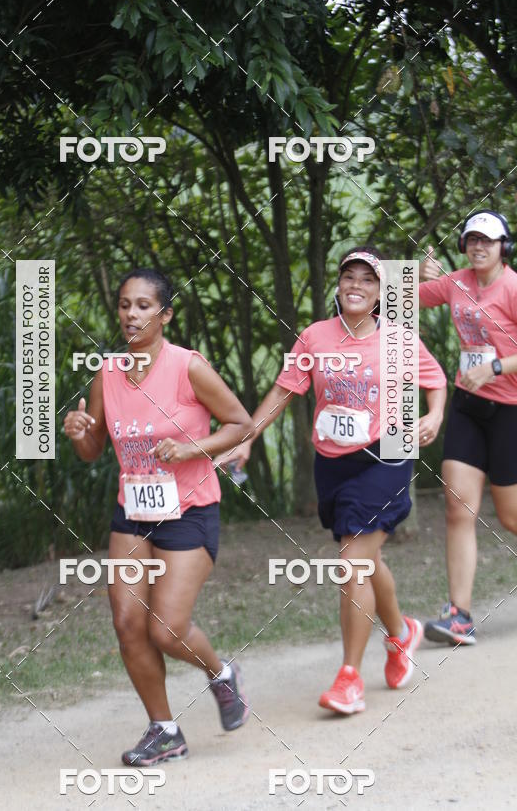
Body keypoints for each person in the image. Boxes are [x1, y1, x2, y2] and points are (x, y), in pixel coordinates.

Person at [217, 247, 447, 715]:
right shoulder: (315, 337)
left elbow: (435, 377)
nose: (356, 285)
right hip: (333, 461)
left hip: (387, 453)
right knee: (365, 555)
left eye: (368, 279)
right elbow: (285, 390)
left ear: (383, 292)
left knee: (352, 560)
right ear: (338, 285)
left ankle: (349, 679)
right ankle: (401, 634)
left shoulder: (398, 339)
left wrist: (435, 414)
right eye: (349, 277)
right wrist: (246, 440)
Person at [63, 268, 254, 764]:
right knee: (128, 623)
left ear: (165, 314)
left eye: (144, 305)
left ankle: (221, 674)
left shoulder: (188, 366)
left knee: (166, 629)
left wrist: (192, 447)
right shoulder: (108, 371)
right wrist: (80, 429)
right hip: (134, 511)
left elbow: (240, 423)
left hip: (190, 510)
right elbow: (93, 450)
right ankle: (164, 730)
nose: (131, 314)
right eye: (125, 304)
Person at [420, 210, 517, 645]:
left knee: (511, 515)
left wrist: (497, 366)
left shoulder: (513, 287)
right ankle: (458, 615)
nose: (479, 247)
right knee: (458, 509)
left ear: (504, 247)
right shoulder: (456, 282)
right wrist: (420, 276)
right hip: (466, 405)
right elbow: (408, 300)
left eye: (489, 241)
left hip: (511, 409)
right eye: (472, 240)